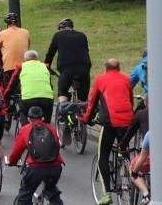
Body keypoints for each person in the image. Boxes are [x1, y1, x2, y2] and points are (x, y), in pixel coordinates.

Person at [79, 58, 134, 205]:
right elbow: (130, 99)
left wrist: (87, 119)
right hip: (127, 120)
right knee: (124, 147)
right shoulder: (126, 79)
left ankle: (107, 194)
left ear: (106, 68)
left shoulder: (101, 79)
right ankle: (129, 171)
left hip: (110, 122)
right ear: (119, 67)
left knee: (103, 155)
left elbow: (92, 102)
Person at [6, 106, 64, 205]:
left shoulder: (25, 129)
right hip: (56, 168)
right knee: (51, 189)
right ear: (42, 118)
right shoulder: (52, 128)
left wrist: (11, 162)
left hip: (35, 169)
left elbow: (16, 152)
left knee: (25, 194)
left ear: (28, 118)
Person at [44, 18, 92, 106]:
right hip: (84, 68)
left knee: (62, 90)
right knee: (84, 99)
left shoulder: (58, 35)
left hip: (67, 68)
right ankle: (83, 111)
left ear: (61, 28)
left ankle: (63, 109)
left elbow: (51, 52)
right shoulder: (82, 35)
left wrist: (47, 65)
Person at [4, 50, 55, 126]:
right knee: (46, 124)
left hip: (28, 99)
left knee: (24, 114)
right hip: (47, 99)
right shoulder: (45, 66)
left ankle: (25, 131)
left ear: (25, 59)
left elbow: (11, 84)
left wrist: (6, 95)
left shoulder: (21, 67)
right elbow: (49, 84)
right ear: (37, 58)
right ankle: (46, 130)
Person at [0, 12, 31, 86]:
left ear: (7, 24)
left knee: (7, 90)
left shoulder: (2, 33)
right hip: (24, 67)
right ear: (17, 22)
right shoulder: (26, 32)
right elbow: (27, 48)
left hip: (8, 67)